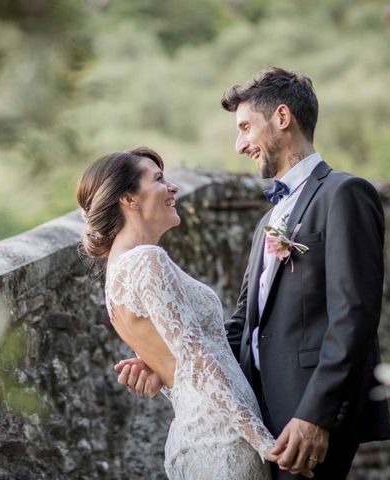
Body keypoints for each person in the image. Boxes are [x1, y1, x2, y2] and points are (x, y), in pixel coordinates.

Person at [115, 68, 390, 479]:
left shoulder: (344, 194)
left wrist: (316, 415)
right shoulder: (266, 222)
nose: (239, 143)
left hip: (308, 417)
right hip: (260, 416)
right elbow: (244, 324)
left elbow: (355, 315)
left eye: (245, 127)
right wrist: (165, 363)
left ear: (282, 118)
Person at [77, 147, 313, 479]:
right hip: (222, 439)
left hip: (194, 435)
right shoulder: (146, 261)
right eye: (158, 179)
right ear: (129, 199)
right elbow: (198, 358)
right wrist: (265, 443)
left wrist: (155, 368)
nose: (172, 187)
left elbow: (174, 359)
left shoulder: (119, 271)